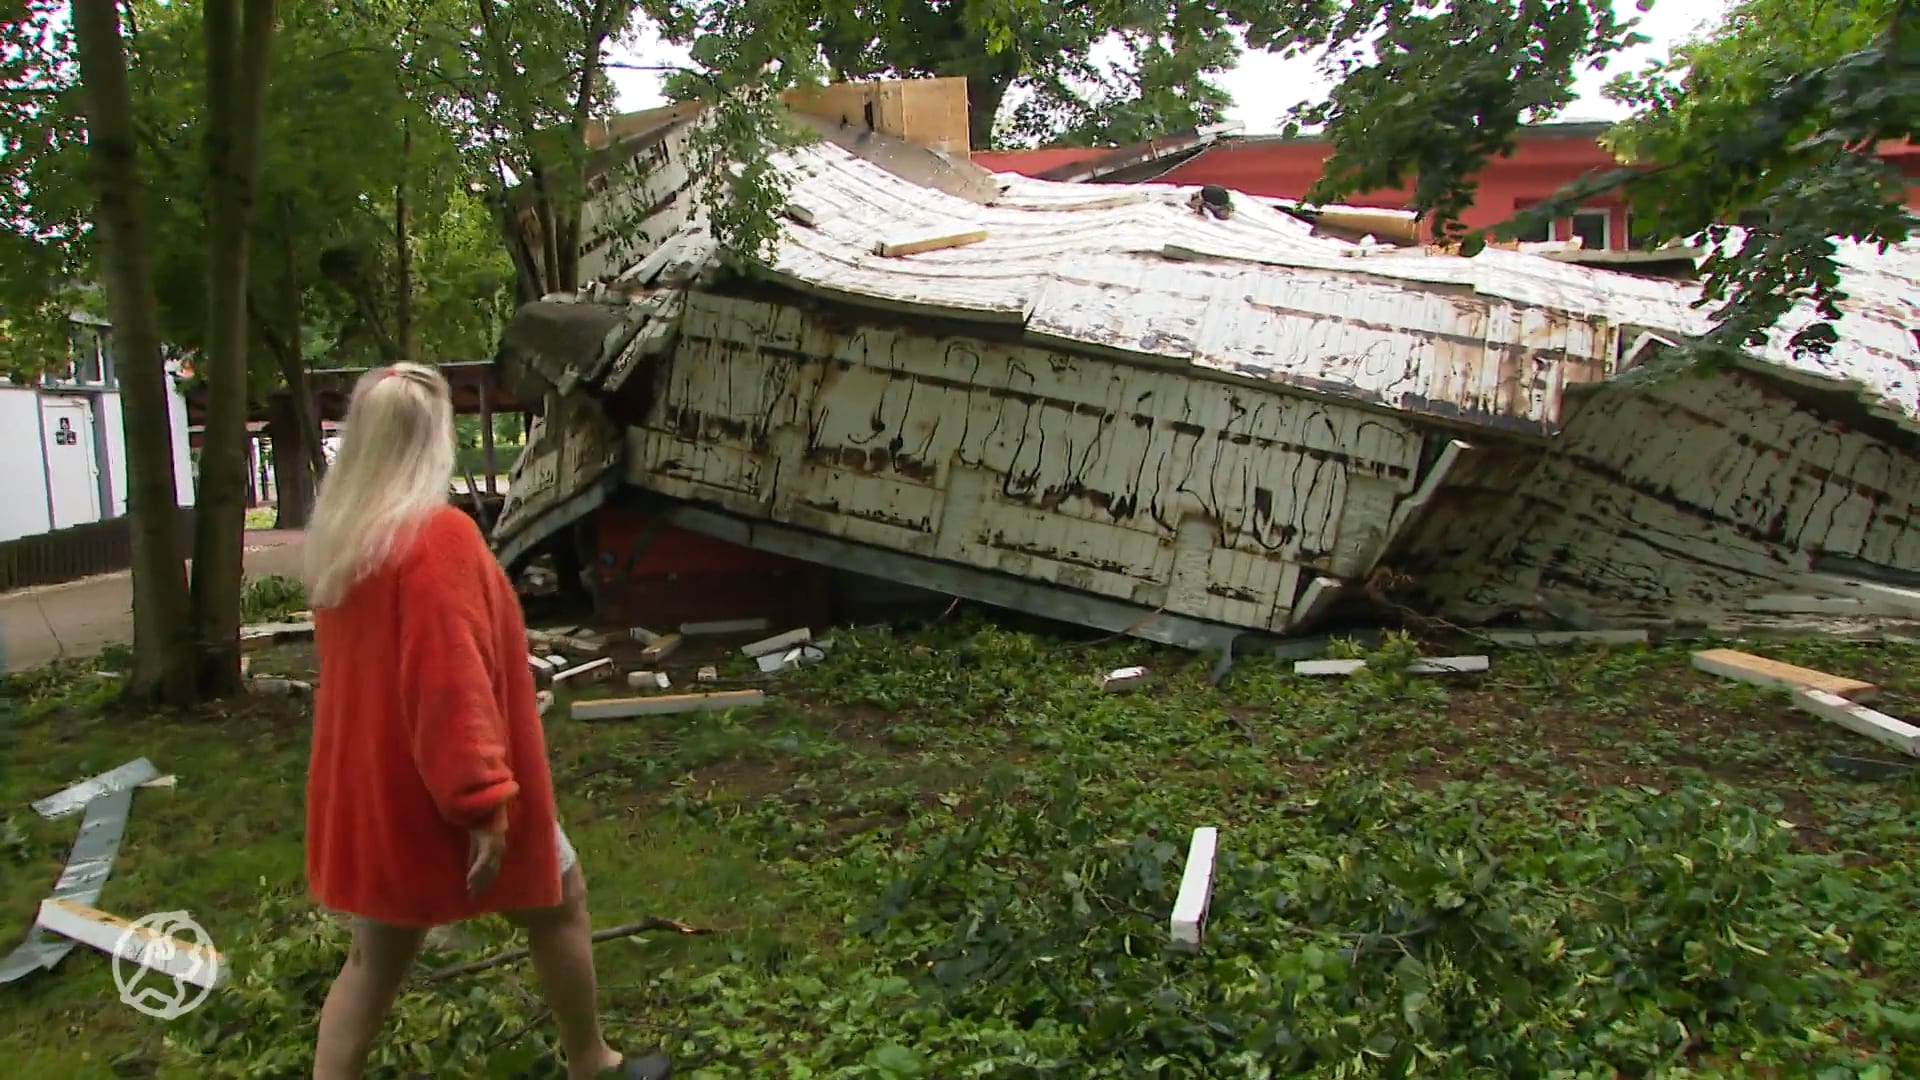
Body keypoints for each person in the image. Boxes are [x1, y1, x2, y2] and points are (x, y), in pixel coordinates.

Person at [301, 363, 670, 1080]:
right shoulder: (435, 537)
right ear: (432, 441)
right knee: (560, 900)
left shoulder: (345, 545)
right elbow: (449, 680)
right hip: (445, 785)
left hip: (378, 793)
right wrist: (482, 801)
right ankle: (592, 1062)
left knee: (373, 961)